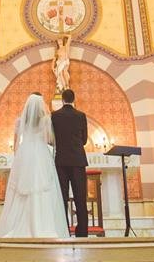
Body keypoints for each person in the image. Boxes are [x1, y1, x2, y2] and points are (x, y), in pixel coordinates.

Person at [0, 94, 69, 238]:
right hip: (40, 153)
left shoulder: (20, 121)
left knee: (21, 191)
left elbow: (16, 143)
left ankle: (16, 225)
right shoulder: (46, 120)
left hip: (25, 153)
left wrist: (18, 159)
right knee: (41, 188)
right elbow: (49, 139)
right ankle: (41, 223)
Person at [51, 88, 88, 237]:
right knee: (80, 197)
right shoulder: (81, 115)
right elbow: (84, 140)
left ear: (62, 99)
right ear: (74, 99)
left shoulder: (54, 116)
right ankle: (82, 232)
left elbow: (52, 138)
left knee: (62, 198)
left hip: (61, 161)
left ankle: (64, 231)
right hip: (78, 160)